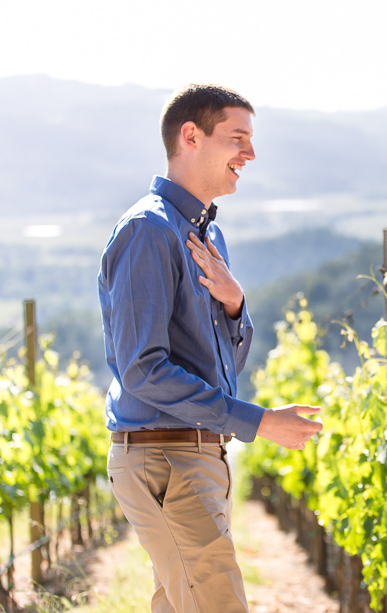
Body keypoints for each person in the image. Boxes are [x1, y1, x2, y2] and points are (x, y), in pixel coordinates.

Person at [98, 83, 323, 613]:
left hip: (195, 455)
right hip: (165, 457)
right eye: (238, 138)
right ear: (191, 136)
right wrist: (260, 421)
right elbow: (143, 371)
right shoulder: (148, 232)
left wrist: (234, 306)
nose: (250, 154)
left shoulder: (205, 238)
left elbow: (222, 368)